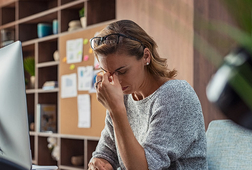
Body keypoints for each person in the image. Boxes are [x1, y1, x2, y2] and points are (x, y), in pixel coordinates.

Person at [88, 20, 207, 170]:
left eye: (122, 71)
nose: (115, 81)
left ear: (146, 56)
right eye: (108, 73)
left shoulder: (175, 95)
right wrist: (99, 162)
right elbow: (107, 152)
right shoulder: (124, 96)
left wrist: (116, 110)